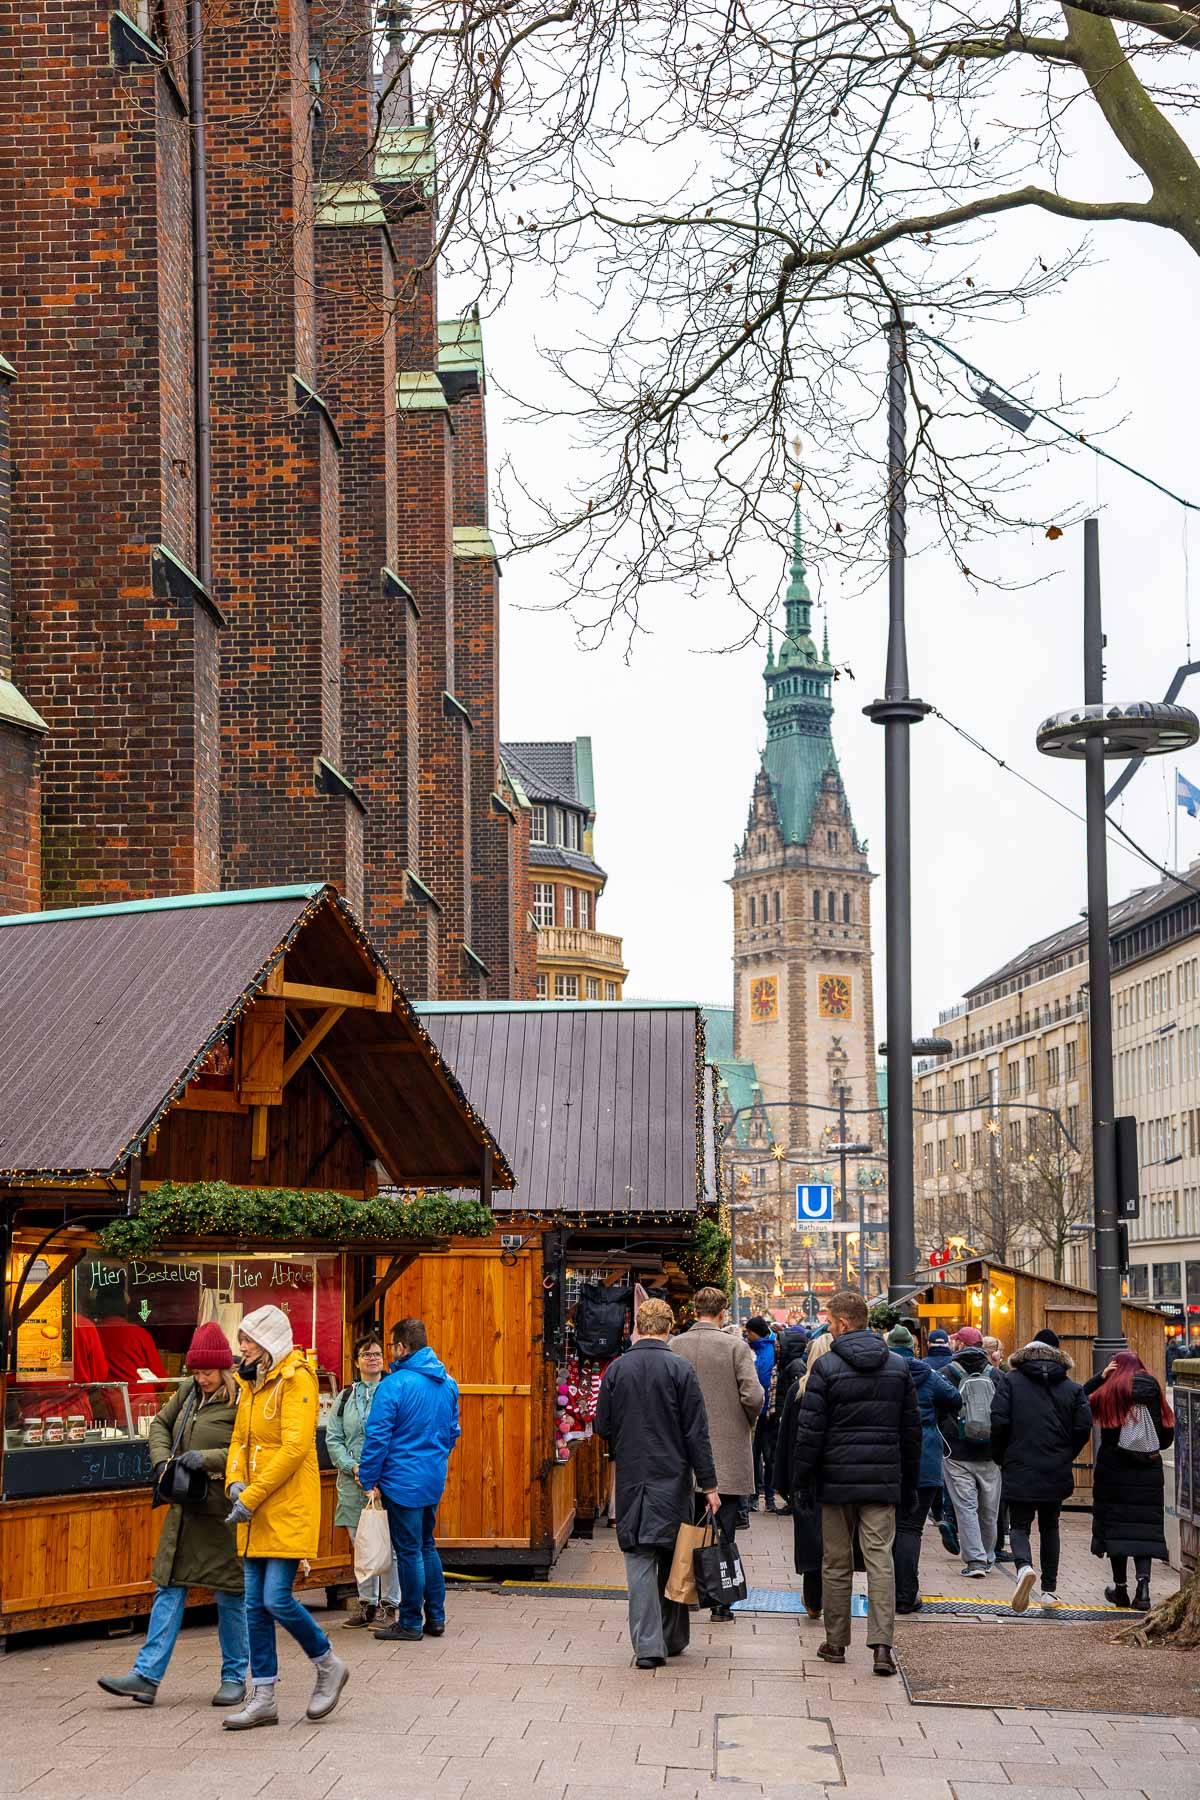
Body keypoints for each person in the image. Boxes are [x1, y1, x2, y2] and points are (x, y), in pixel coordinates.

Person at [98, 1323, 247, 1707]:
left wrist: (209, 1459)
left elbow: (248, 1450)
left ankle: (234, 1677)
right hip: (184, 1509)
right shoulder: (188, 1391)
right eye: (196, 1371)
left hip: (221, 1513)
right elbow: (161, 1425)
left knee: (230, 1593)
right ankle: (145, 1677)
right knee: (168, 1587)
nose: (201, 1378)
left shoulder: (242, 1399)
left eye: (207, 1372)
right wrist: (163, 1462)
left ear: (224, 1369)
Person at [221, 1305, 349, 1731]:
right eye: (242, 1339)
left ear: (270, 1342)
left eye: (249, 1340)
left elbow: (295, 1449)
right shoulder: (251, 1381)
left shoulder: (297, 1380)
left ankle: (327, 1663)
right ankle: (264, 1697)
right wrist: (235, 1482)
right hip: (256, 1508)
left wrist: (251, 1495)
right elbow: (239, 1438)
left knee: (275, 1599)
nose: (242, 1347)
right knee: (254, 1606)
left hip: (285, 1505)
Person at [790, 1290, 921, 1675]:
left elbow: (810, 1432)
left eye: (830, 1321)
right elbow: (911, 1432)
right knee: (881, 1560)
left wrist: (802, 1480)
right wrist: (908, 1482)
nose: (828, 1327)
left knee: (835, 1562)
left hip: (835, 1482)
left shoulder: (827, 1368)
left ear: (843, 1324)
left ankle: (836, 1642)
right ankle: (881, 1646)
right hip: (881, 1481)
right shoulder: (897, 1367)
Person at [595, 1296, 720, 1669]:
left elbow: (602, 1425)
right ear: (668, 1328)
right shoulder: (680, 1369)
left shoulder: (617, 1370)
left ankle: (648, 1646)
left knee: (638, 1558)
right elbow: (697, 1432)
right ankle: (674, 1636)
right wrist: (709, 1486)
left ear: (637, 1327)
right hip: (674, 1479)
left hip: (634, 1479)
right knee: (672, 1555)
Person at [357, 1317, 460, 1644]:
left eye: (392, 1346)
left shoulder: (394, 1385)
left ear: (402, 1347)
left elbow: (377, 1438)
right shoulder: (448, 1383)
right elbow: (452, 1432)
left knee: (410, 1550)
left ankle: (411, 1621)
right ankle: (437, 1617)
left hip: (401, 1480)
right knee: (427, 1545)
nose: (391, 1351)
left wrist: (369, 1477)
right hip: (432, 1478)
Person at [668, 1287, 763, 1621]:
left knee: (687, 1526)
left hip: (682, 1454)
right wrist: (744, 1422)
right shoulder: (736, 1347)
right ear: (723, 1312)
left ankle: (687, 1592)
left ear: (695, 1310)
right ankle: (720, 1602)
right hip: (727, 1453)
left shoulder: (674, 1345)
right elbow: (753, 1395)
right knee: (723, 1528)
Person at [990, 1334, 1092, 1613]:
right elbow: (1083, 1427)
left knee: (1019, 1524)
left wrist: (1002, 1456)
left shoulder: (1010, 1381)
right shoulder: (1072, 1388)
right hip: (1055, 1466)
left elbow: (998, 1420)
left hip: (1019, 1463)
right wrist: (1066, 1453)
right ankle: (1049, 1590)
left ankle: (1023, 1568)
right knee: (1050, 1525)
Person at [1084, 1349, 1175, 1611]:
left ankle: (1121, 1590)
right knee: (1143, 1531)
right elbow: (1167, 1437)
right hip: (1148, 1473)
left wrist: (1100, 1378)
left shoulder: (1111, 1391)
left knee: (1116, 1530)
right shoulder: (1155, 1391)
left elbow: (1076, 1400)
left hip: (1114, 1472)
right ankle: (1143, 1589)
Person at [325, 1331, 402, 1628]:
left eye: (377, 1354)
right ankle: (366, 1604)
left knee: (389, 1546)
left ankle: (390, 1605)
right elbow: (334, 1438)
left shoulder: (392, 1391)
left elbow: (398, 1437)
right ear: (356, 1361)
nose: (373, 1359)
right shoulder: (345, 1398)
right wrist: (353, 1467)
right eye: (367, 1354)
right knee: (362, 1546)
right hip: (351, 1485)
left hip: (385, 1484)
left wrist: (377, 1474)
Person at [884, 1325, 961, 1615]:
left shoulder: (884, 1371)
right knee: (911, 1529)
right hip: (925, 1457)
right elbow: (955, 1399)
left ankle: (889, 1592)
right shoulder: (927, 1374)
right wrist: (931, 1420)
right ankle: (907, 1594)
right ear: (915, 1348)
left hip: (889, 1458)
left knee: (887, 1528)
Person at [776, 1320, 837, 1621]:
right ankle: (831, 1599)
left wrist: (783, 1482)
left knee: (811, 1541)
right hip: (836, 1476)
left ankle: (813, 1599)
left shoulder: (797, 1392)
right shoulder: (841, 1388)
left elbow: (785, 1438)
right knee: (835, 1541)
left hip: (805, 1478)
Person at [938, 1325, 1002, 1578]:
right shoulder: (997, 1376)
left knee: (966, 1507)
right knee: (990, 1509)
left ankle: (975, 1562)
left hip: (956, 1453)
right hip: (991, 1454)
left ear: (961, 1346)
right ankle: (987, 1556)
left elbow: (939, 1409)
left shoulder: (946, 1373)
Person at [744, 1317, 778, 1512]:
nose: (746, 1335)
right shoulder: (764, 1347)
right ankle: (763, 1496)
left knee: (762, 1454)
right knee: (761, 1454)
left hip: (765, 1412)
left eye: (748, 1332)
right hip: (763, 1410)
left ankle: (762, 1496)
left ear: (755, 1332)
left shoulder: (763, 1350)